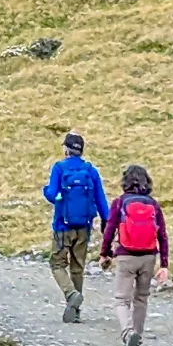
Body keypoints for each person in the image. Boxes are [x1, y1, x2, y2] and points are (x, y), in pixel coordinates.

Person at [99, 163, 169, 346]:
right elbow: (162, 234)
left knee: (122, 300)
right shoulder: (153, 204)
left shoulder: (120, 202)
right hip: (148, 256)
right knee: (141, 299)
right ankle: (136, 341)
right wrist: (164, 264)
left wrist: (105, 254)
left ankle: (128, 333)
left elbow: (110, 229)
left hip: (126, 256)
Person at [42, 131, 106, 324]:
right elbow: (101, 201)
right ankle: (76, 312)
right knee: (77, 268)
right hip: (84, 226)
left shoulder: (59, 168)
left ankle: (70, 294)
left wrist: (46, 191)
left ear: (67, 150)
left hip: (63, 225)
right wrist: (107, 223)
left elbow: (53, 194)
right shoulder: (90, 171)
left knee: (57, 263)